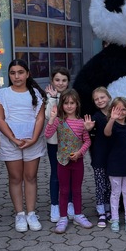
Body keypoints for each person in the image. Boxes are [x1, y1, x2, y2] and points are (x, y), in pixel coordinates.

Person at [0, 60, 46, 233]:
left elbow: (40, 118)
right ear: (9, 75)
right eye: (13, 73)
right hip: (11, 142)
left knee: (30, 177)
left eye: (20, 72)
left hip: (32, 141)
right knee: (15, 178)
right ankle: (20, 213)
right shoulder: (2, 94)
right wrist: (13, 139)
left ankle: (31, 212)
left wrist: (33, 138)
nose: (17, 76)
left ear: (28, 74)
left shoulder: (37, 94)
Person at [45, 89, 92, 233]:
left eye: (72, 103)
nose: (69, 106)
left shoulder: (81, 122)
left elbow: (87, 141)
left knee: (77, 190)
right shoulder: (59, 121)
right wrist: (52, 119)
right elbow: (47, 135)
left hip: (77, 162)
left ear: (77, 104)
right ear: (61, 105)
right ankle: (63, 217)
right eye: (66, 103)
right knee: (64, 190)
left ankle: (78, 215)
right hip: (62, 161)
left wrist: (79, 153)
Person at [104, 97, 126, 233]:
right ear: (112, 110)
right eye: (117, 109)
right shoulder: (112, 125)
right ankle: (115, 219)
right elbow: (107, 133)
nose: (121, 112)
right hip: (114, 166)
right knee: (115, 193)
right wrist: (112, 119)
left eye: (123, 109)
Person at [44, 67, 71, 222]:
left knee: (70, 174)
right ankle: (55, 205)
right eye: (57, 80)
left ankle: (70, 203)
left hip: (70, 143)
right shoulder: (49, 97)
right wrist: (53, 99)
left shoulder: (72, 96)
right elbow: (49, 117)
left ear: (68, 82)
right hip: (54, 142)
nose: (60, 83)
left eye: (64, 80)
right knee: (56, 173)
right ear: (52, 81)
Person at [85, 87, 112, 228]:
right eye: (96, 99)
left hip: (113, 156)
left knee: (110, 185)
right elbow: (87, 136)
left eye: (102, 97)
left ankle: (109, 208)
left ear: (108, 97)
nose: (100, 100)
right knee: (100, 185)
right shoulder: (95, 117)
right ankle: (101, 210)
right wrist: (88, 129)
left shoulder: (115, 113)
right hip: (99, 156)